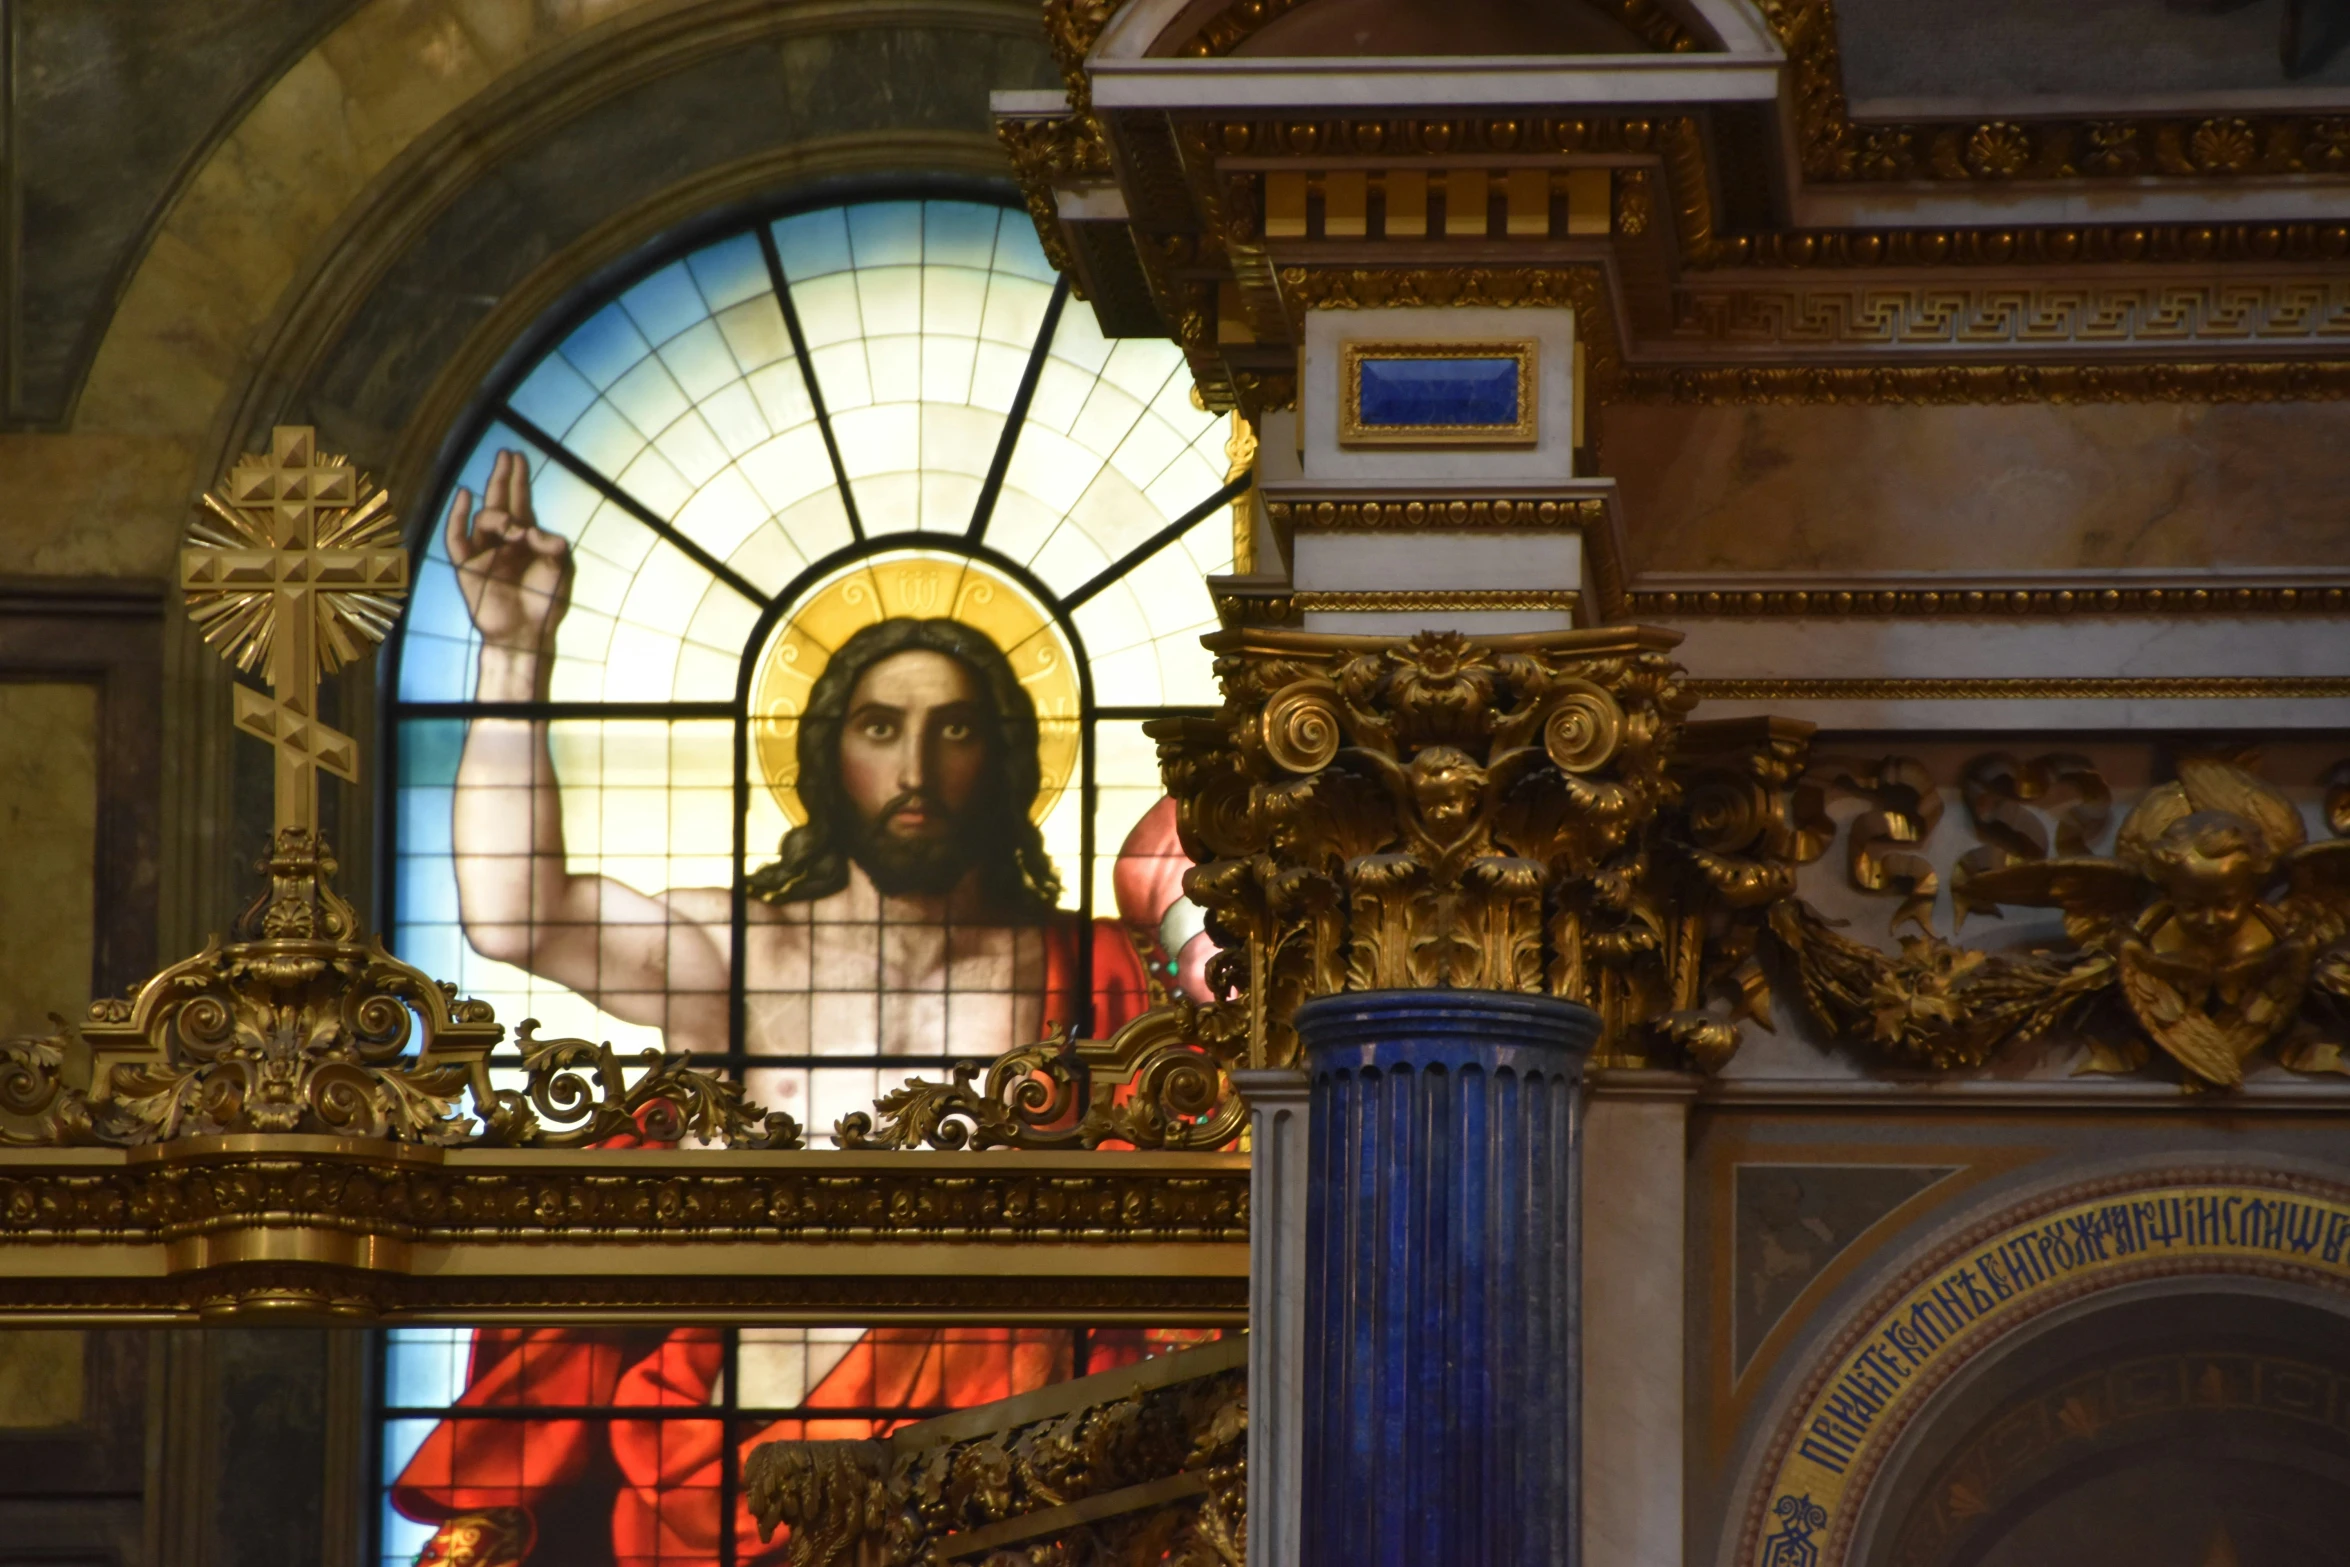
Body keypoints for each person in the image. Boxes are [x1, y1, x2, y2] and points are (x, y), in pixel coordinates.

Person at [391, 451, 1209, 1564]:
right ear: (827, 754)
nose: (915, 763)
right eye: (879, 727)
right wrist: (513, 651)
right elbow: (515, 915)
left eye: (955, 729)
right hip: (719, 1450)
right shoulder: (735, 952)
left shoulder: (1100, 974)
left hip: (1008, 1483)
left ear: (1010, 760)